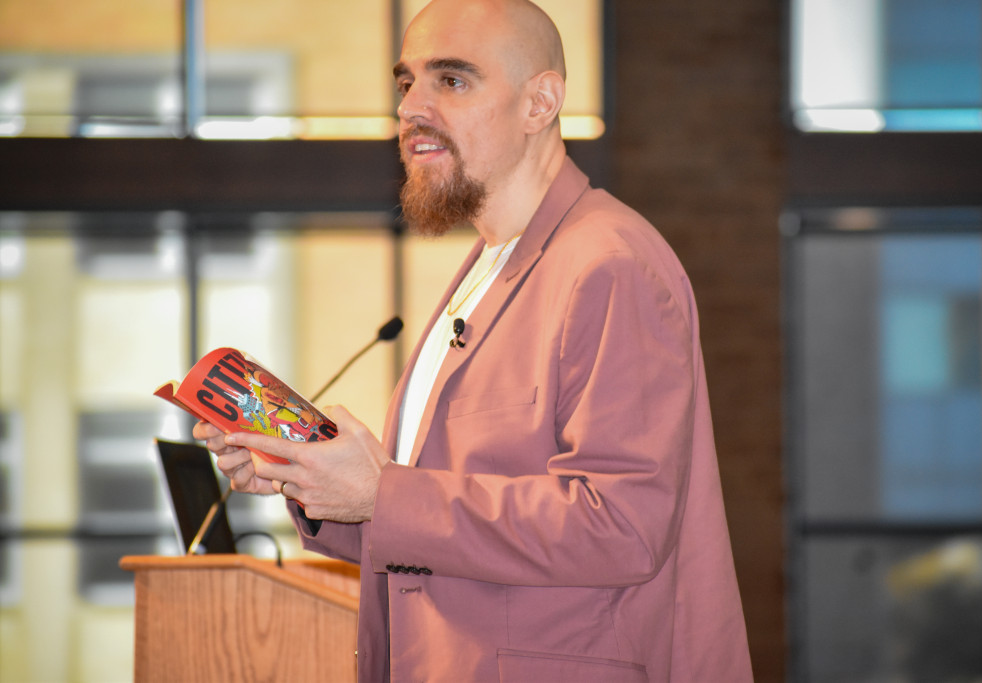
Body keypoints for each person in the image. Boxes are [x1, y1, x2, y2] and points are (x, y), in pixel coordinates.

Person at [194, 0, 753, 680]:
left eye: (451, 81)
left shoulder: (608, 263)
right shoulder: (488, 267)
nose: (411, 109)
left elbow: (621, 524)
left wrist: (383, 494)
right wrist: (315, 483)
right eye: (406, 84)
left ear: (540, 102)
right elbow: (441, 523)